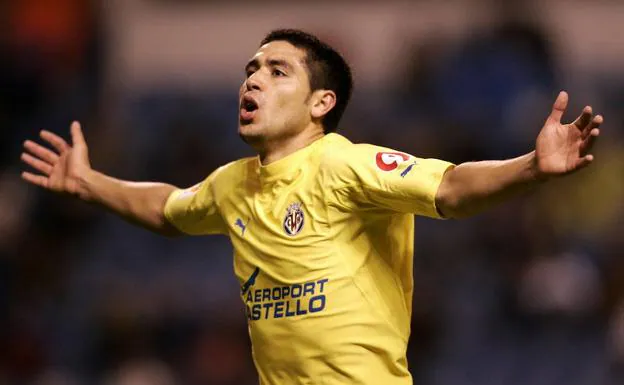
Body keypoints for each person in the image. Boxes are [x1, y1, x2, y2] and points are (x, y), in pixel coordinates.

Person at [20, 29, 602, 385]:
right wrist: (92, 183)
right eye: (250, 70)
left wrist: (529, 166)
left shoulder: (343, 165)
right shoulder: (232, 184)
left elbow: (449, 188)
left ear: (322, 101)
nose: (253, 81)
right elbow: (167, 210)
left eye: (277, 71)